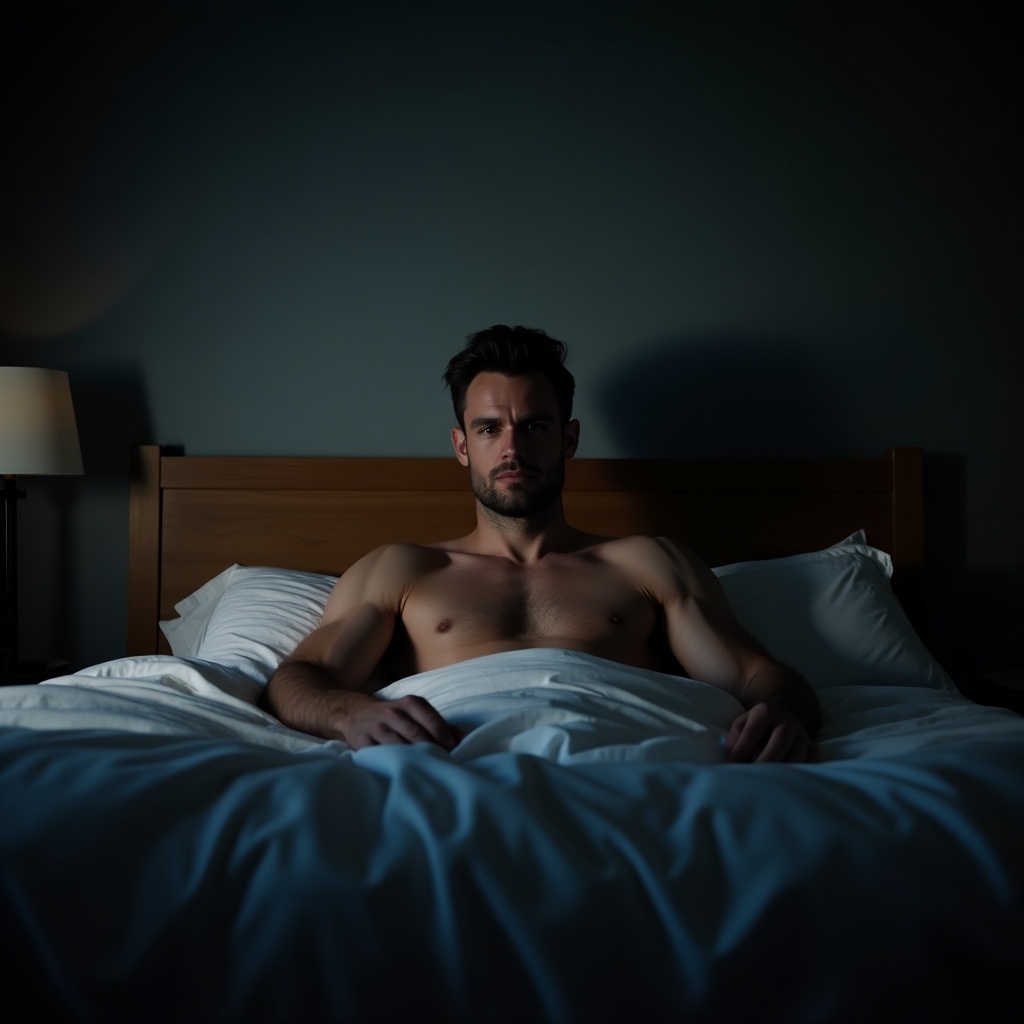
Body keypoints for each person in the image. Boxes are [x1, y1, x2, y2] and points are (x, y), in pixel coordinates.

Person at [260, 325, 820, 763]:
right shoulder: (401, 568)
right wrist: (351, 716)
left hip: (623, 757)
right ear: (461, 445)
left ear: (568, 438)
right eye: (488, 429)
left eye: (534, 426)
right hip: (455, 766)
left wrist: (781, 712)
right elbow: (299, 680)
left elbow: (757, 675)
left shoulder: (648, 562)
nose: (512, 449)